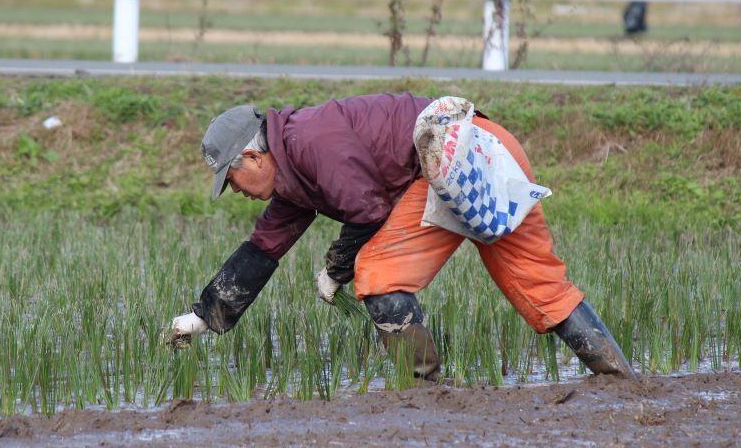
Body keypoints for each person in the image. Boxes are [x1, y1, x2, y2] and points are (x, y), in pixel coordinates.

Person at [168, 93, 636, 381]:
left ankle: (422, 391)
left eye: (230, 181)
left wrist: (337, 270)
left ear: (250, 157)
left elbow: (368, 210)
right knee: (543, 285)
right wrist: (203, 316)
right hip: (491, 146)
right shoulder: (294, 165)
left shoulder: (309, 141)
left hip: (447, 163)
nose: (236, 192)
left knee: (379, 274)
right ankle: (623, 382)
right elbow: (263, 247)